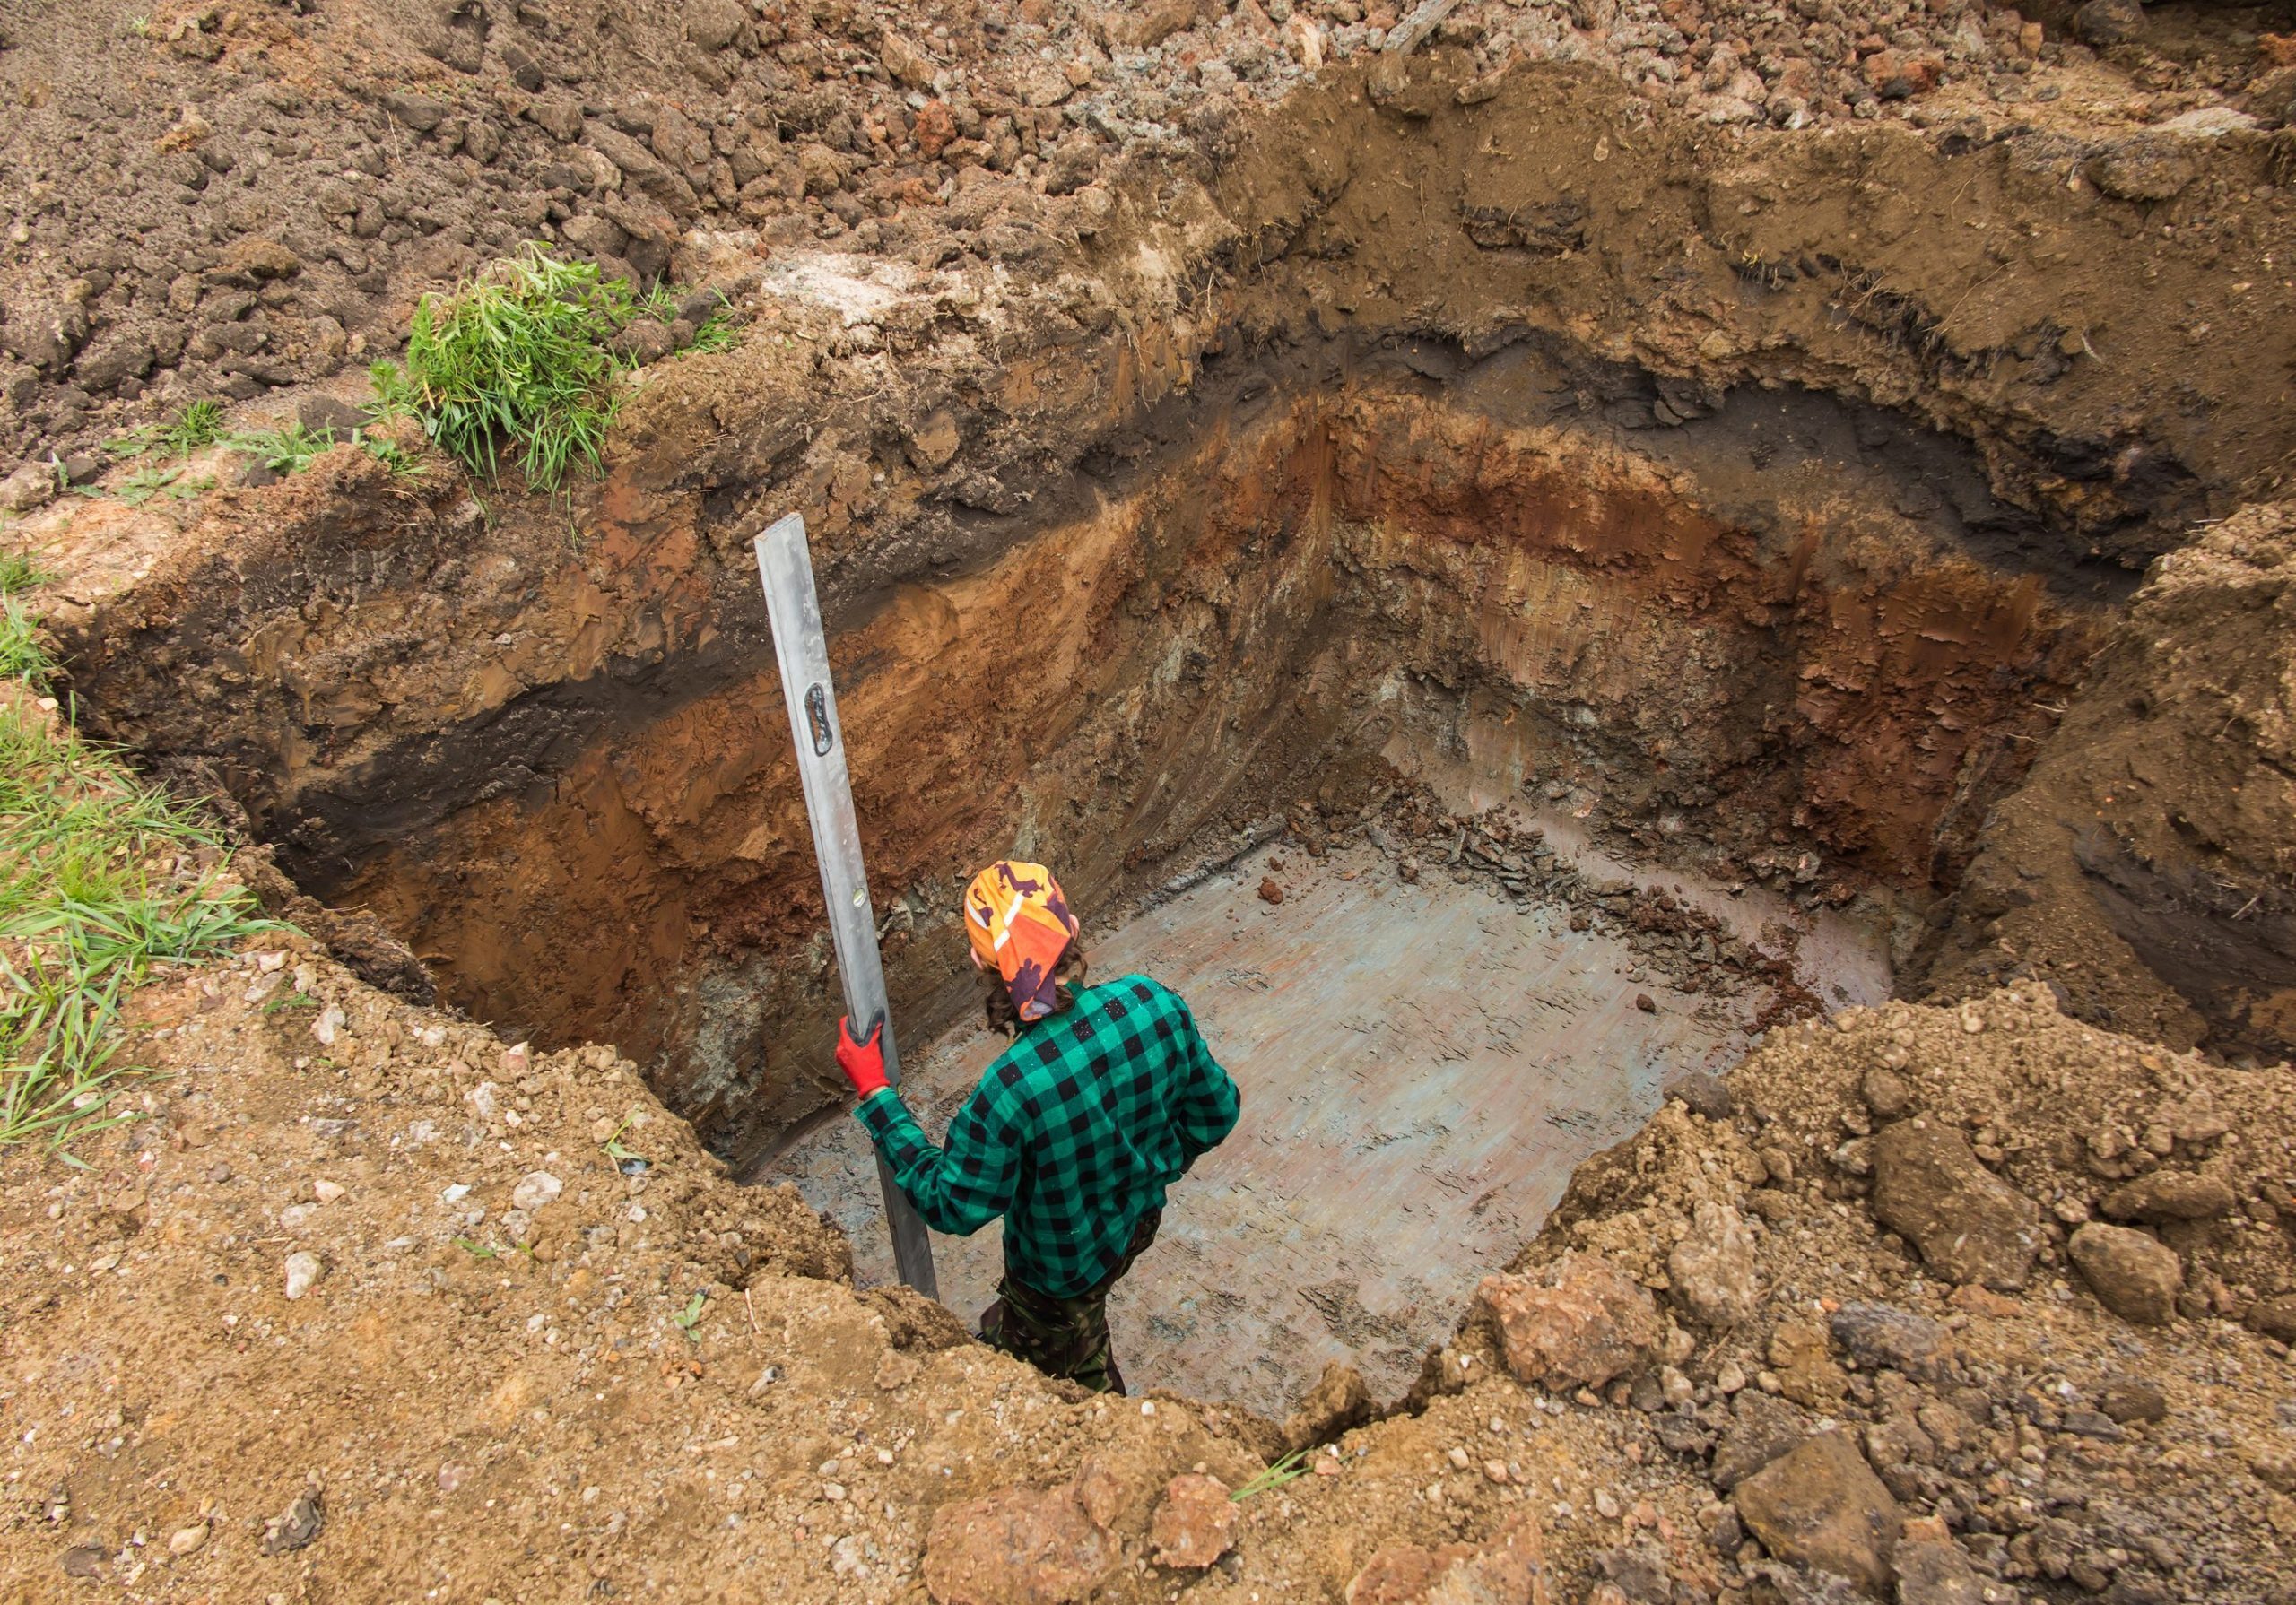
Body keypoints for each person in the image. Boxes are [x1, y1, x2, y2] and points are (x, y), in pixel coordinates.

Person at [833, 859, 1239, 1393]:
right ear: (1069, 927)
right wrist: (1146, 1167)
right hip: (1137, 1224)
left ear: (980, 960)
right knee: (1060, 1313)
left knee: (1070, 1369)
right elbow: (1217, 1113)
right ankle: (1032, 1331)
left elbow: (952, 1204)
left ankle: (1089, 1392)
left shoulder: (1011, 1089)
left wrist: (877, 1095)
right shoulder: (1152, 1001)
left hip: (1060, 1275)